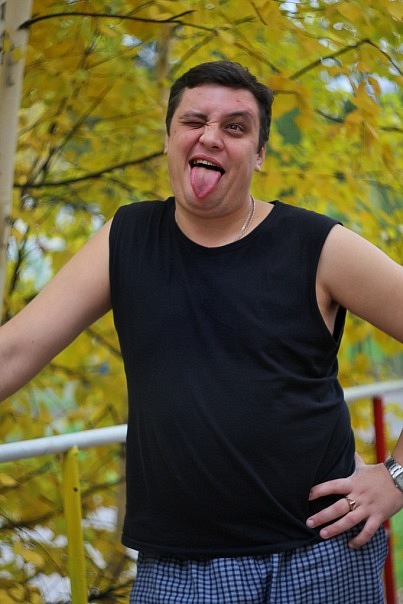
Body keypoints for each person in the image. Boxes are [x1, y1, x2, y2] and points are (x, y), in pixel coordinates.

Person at [1, 60, 403, 603]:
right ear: (169, 139)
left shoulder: (318, 246)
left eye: (235, 127)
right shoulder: (127, 238)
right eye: (194, 121)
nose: (211, 136)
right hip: (179, 571)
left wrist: (395, 477)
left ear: (259, 155)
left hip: (321, 557)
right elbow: (14, 350)